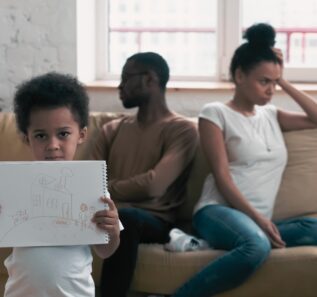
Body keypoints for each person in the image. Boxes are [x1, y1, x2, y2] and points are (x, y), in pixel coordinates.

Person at [172, 23, 317, 297]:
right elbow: (223, 178)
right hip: (217, 210)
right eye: (264, 81)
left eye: (274, 83)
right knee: (257, 246)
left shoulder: (272, 115)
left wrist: (281, 78)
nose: (271, 90)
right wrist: (259, 220)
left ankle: (220, 243)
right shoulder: (214, 113)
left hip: (259, 220)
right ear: (239, 75)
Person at [90, 52, 198, 297]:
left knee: (125, 218)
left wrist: (106, 187)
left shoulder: (182, 130)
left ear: (150, 79)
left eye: (126, 78)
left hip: (154, 220)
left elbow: (154, 186)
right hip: (107, 213)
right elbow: (86, 182)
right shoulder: (112, 129)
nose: (120, 86)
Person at [3, 72, 120, 297]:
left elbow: (105, 251)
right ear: (27, 138)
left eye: (63, 134)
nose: (53, 145)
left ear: (81, 134)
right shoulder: (14, 186)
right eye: (40, 136)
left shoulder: (92, 186)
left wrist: (112, 231)